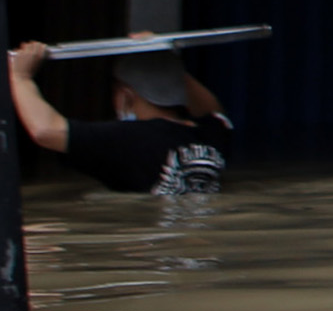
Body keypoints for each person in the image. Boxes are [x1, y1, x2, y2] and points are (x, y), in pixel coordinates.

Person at [8, 36, 230, 194]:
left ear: (126, 96)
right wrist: (162, 58)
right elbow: (213, 110)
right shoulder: (210, 134)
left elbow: (46, 131)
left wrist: (20, 77)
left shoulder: (127, 139)